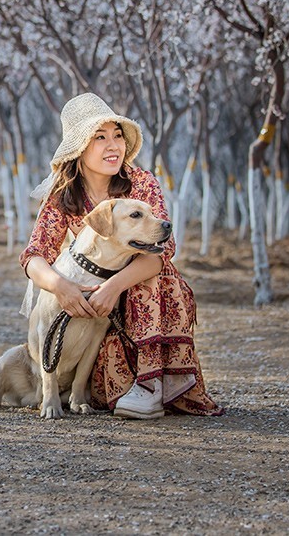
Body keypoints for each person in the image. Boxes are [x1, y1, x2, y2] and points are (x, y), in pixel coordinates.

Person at [20, 93, 222, 418]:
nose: (113, 145)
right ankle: (123, 383)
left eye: (117, 136)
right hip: (95, 310)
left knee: (155, 275)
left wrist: (113, 288)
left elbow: (162, 251)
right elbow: (34, 256)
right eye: (99, 137)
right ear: (79, 148)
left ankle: (151, 384)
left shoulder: (139, 183)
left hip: (140, 293)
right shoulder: (65, 194)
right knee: (103, 396)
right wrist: (61, 287)